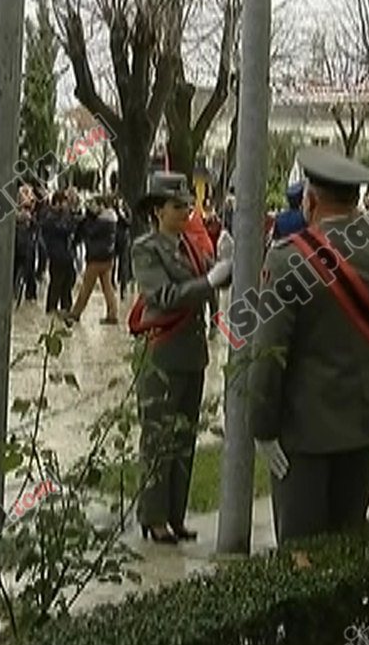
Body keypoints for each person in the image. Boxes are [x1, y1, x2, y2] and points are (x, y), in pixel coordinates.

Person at [248, 148, 369, 543]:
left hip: (305, 430)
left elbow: (268, 352)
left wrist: (261, 426)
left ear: (310, 200)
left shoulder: (288, 259)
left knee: (301, 553)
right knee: (348, 548)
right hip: (363, 425)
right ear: (358, 201)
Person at [129, 172, 232, 544]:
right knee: (158, 437)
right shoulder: (146, 249)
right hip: (162, 352)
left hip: (191, 353)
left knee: (185, 437)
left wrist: (224, 267)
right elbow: (163, 297)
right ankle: (153, 516)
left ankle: (176, 515)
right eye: (178, 205)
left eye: (189, 204)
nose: (187, 210)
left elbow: (209, 279)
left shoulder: (190, 245)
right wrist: (208, 282)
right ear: (158, 211)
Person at [66, 196, 120, 325]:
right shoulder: (112, 219)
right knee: (108, 288)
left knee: (86, 287)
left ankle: (76, 313)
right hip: (108, 257)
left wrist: (89, 218)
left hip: (96, 258)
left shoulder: (101, 221)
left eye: (95, 204)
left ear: (102, 205)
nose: (93, 207)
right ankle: (113, 314)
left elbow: (90, 232)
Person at [41, 191, 77, 314]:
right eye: (65, 202)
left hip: (66, 255)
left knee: (67, 282)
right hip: (57, 255)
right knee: (56, 282)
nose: (66, 205)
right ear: (57, 203)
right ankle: (52, 309)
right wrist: (69, 216)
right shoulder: (50, 217)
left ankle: (66, 308)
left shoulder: (63, 216)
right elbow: (64, 229)